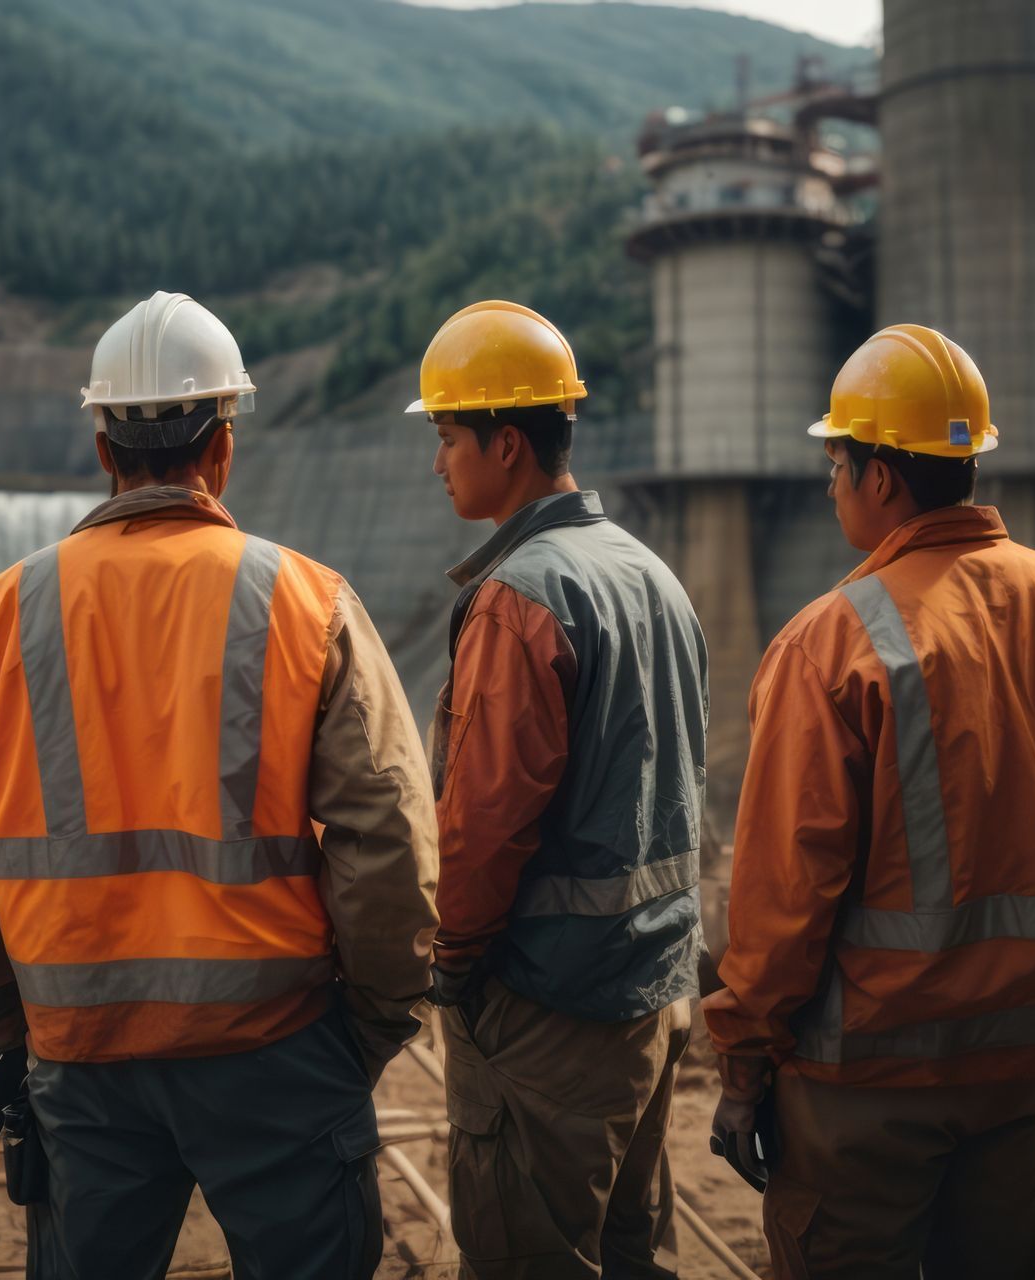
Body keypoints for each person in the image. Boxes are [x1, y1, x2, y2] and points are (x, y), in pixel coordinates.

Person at [0, 290, 439, 1280]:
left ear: (102, 447)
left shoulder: (0, 616)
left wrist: (8, 1027)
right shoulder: (305, 602)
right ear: (223, 444)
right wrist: (370, 1024)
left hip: (78, 1053)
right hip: (274, 1048)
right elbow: (389, 836)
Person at [702, 324, 1035, 1280]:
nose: (831, 484)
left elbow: (785, 892)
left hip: (864, 1085)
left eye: (836, 463)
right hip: (1029, 1071)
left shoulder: (830, 643)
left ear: (879, 477)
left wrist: (745, 1062)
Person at [410, 300, 709, 1279]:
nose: (438, 462)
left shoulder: (521, 596)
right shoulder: (651, 576)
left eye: (448, 437)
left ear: (506, 443)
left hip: (548, 1011)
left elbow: (484, 824)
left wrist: (451, 961)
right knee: (631, 1253)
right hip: (651, 992)